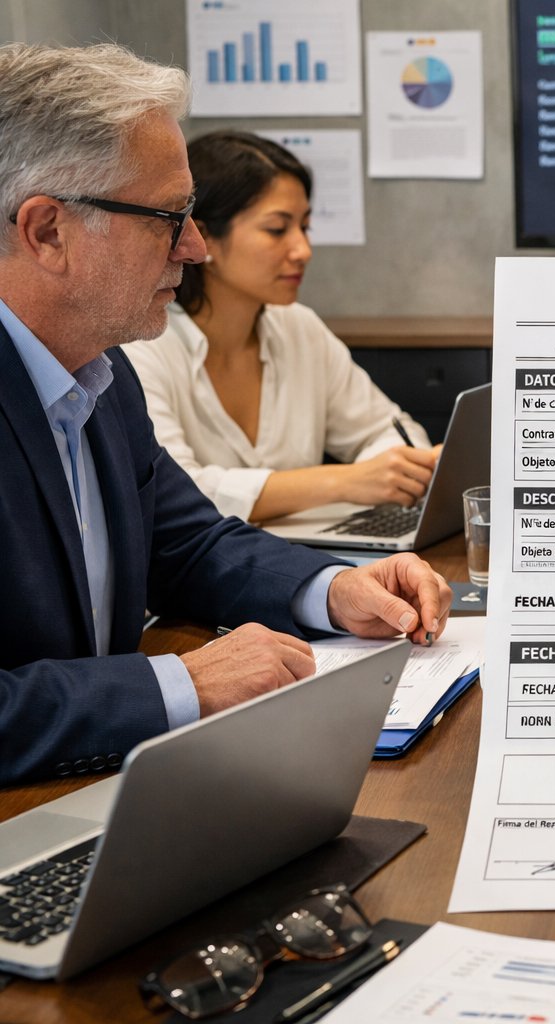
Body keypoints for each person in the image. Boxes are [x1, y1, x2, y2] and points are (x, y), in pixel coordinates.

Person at [0, 43, 451, 786]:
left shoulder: (100, 373)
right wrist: (182, 684)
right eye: (167, 218)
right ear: (48, 231)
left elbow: (189, 547)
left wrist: (334, 590)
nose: (195, 246)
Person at [125, 130, 439, 523]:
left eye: (305, 227)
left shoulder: (299, 328)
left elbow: (388, 430)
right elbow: (176, 494)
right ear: (204, 239)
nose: (303, 250)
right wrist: (345, 482)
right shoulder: (142, 344)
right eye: (277, 229)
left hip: (311, 562)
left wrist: (398, 469)